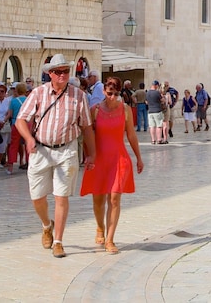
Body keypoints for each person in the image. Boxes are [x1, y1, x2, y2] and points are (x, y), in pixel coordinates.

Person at [15, 54, 96, 258]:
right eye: (58, 72)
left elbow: (86, 128)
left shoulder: (79, 96)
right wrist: (28, 138)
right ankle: (46, 225)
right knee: (37, 197)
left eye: (65, 71)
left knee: (62, 196)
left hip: (67, 150)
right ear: (50, 73)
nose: (62, 75)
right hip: (41, 150)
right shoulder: (38, 93)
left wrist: (91, 154)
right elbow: (20, 120)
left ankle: (58, 241)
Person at [80, 76, 143, 255]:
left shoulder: (125, 110)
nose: (112, 97)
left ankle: (110, 239)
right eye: (109, 93)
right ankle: (100, 227)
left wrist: (138, 157)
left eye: (116, 94)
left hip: (119, 158)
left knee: (114, 198)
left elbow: (131, 135)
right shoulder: (95, 110)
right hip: (99, 159)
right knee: (98, 199)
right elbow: (88, 135)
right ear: (103, 92)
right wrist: (89, 156)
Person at [6, 83, 29, 175]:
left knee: (13, 145)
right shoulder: (28, 100)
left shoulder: (14, 101)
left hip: (16, 124)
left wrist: (3, 121)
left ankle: (10, 167)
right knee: (28, 144)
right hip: (27, 123)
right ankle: (29, 164)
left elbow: (10, 114)